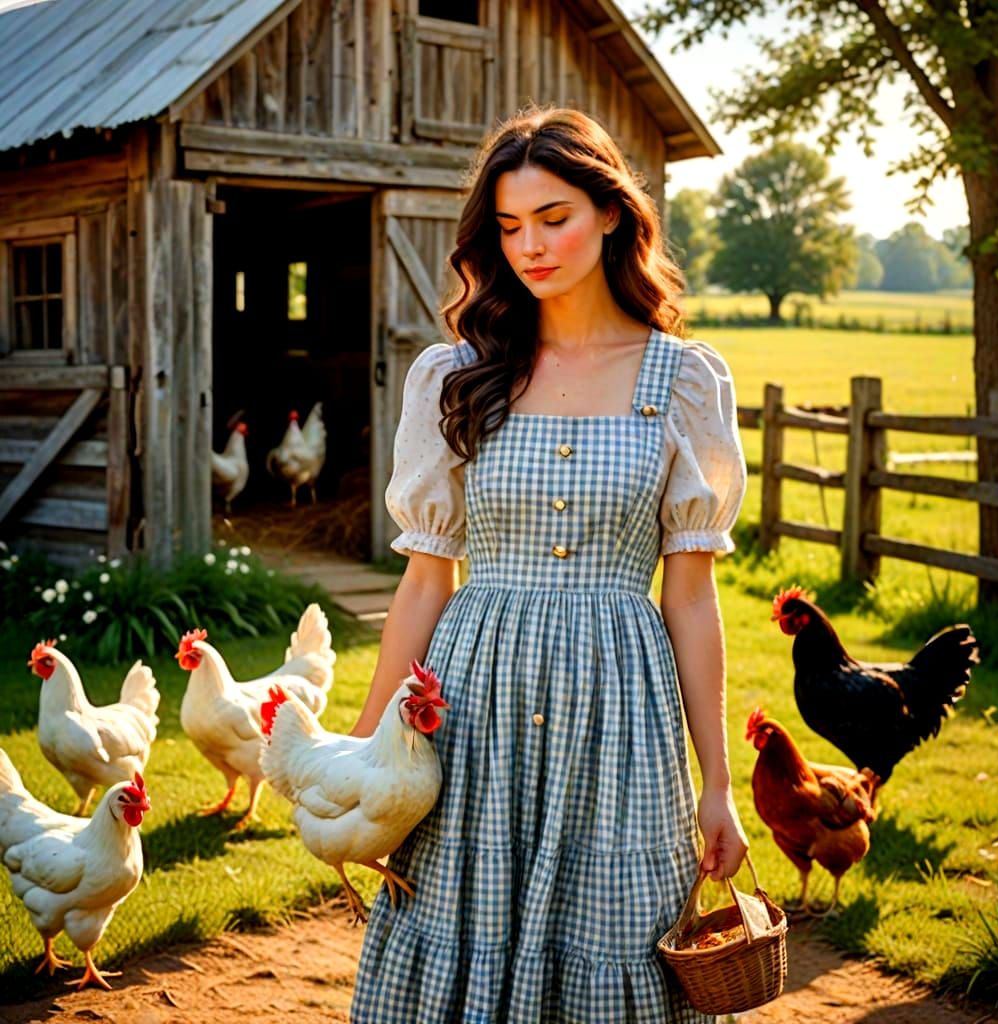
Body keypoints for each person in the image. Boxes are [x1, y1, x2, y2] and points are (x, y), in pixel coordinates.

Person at [348, 106, 749, 1023]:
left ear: (611, 214)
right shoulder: (456, 373)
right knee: (459, 917)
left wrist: (717, 783)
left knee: (615, 937)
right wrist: (368, 758)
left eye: (554, 216)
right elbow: (425, 580)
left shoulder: (683, 381)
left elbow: (690, 599)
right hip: (472, 698)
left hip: (623, 709)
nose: (530, 245)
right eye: (509, 225)